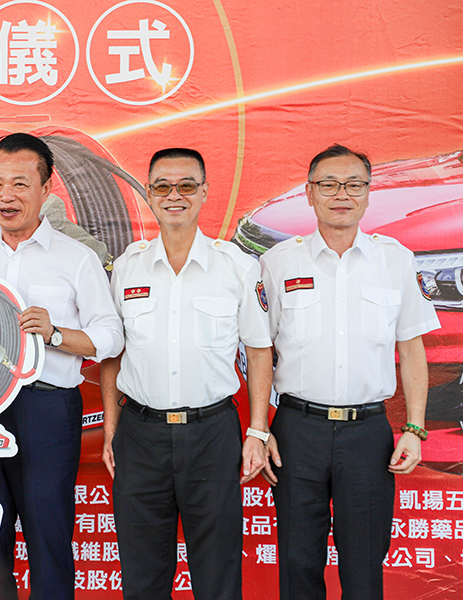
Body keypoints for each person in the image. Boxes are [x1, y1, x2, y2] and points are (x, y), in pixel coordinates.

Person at [0, 133, 123, 600]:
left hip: (46, 411)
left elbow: (111, 337)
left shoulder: (77, 258)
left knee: (48, 537)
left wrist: (55, 334)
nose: (6, 196)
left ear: (46, 188)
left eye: (19, 184)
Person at [260, 144, 440, 599]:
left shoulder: (394, 260)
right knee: (298, 562)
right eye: (329, 184)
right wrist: (262, 428)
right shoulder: (278, 263)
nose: (342, 194)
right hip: (296, 431)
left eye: (354, 184)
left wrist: (414, 428)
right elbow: (258, 350)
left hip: (367, 435)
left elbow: (412, 348)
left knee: (364, 565)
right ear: (309, 193)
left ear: (368, 192)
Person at [99, 148, 275, 600]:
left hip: (212, 435)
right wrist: (112, 431)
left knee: (217, 575)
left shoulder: (236, 266)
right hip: (140, 436)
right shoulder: (128, 267)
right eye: (162, 186)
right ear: (148, 193)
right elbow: (112, 354)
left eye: (186, 186)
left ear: (204, 192)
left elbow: (259, 352)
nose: (173, 196)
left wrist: (257, 431)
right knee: (142, 575)